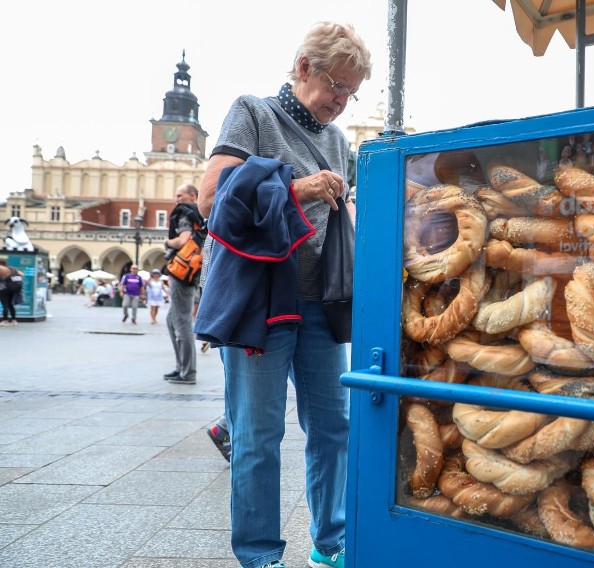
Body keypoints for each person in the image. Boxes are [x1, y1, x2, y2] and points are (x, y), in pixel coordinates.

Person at [196, 21, 370, 568]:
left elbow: (342, 218)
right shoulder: (252, 112)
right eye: (336, 86)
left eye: (351, 91)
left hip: (320, 302)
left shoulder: (339, 142)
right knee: (257, 434)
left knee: (333, 426)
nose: (341, 101)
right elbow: (212, 198)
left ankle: (331, 543)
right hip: (263, 304)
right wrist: (299, 187)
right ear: (303, 69)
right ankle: (258, 555)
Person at [164, 183, 202, 385]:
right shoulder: (199, 213)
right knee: (172, 320)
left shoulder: (186, 213)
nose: (177, 199)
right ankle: (181, 367)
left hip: (182, 271)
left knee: (182, 322)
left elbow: (183, 240)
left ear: (193, 196)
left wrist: (168, 242)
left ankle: (187, 373)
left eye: (181, 195)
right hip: (190, 271)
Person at [0, 259, 21, 326]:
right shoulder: (11, 269)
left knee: (5, 305)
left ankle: (5, 320)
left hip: (3, 289)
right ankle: (14, 320)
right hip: (12, 289)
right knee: (11, 305)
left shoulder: (2, 270)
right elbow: (21, 275)